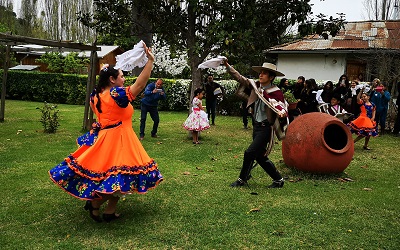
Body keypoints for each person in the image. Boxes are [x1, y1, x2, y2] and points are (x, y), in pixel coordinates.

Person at [49, 44, 163, 223]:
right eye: (122, 76)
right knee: (119, 175)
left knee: (109, 174)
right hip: (120, 138)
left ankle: (99, 206)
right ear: (112, 79)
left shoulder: (96, 95)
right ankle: (103, 208)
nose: (124, 79)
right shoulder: (116, 94)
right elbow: (140, 85)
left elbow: (102, 117)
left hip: (104, 138)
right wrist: (150, 61)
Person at [223, 60, 288, 188]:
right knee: (259, 156)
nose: (261, 75)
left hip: (265, 128)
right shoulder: (255, 86)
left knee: (249, 153)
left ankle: (242, 179)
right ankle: (278, 180)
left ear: (271, 77)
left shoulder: (275, 91)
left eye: (264, 73)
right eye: (260, 72)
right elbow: (240, 78)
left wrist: (281, 113)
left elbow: (281, 106)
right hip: (256, 126)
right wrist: (227, 66)